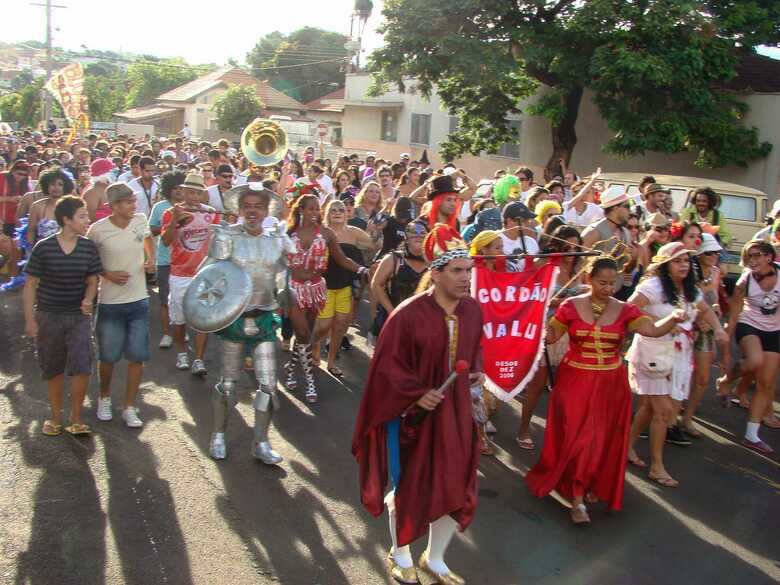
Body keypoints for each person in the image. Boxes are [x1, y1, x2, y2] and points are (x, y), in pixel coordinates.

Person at [352, 223, 482, 585]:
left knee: (455, 485)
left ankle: (435, 559)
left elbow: (474, 348)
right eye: (457, 270)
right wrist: (416, 392)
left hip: (456, 414)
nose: (466, 278)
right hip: (412, 417)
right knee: (410, 485)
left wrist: (477, 370)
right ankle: (401, 553)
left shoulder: (473, 310)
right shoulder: (407, 315)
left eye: (469, 270)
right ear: (436, 273)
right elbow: (386, 367)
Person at [526, 257, 686, 524]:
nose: (608, 288)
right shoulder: (569, 306)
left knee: (600, 438)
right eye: (602, 282)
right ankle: (577, 498)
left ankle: (588, 483)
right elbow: (551, 336)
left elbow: (651, 330)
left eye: (613, 283)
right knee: (578, 437)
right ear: (588, 279)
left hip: (611, 385)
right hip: (574, 382)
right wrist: (537, 320)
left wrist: (673, 317)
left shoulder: (625, 310)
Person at [190, 186, 295, 463]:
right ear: (239, 209)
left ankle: (261, 442)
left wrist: (285, 290)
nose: (252, 211)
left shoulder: (275, 239)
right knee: (227, 384)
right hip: (235, 320)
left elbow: (281, 273)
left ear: (266, 210)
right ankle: (218, 436)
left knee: (268, 386)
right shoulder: (228, 237)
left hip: (265, 318)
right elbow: (206, 275)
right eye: (247, 205)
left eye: (258, 206)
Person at [626, 242, 727, 486]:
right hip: (653, 353)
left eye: (686, 261)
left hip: (680, 354)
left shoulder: (690, 289)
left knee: (652, 408)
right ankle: (657, 466)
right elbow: (628, 309)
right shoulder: (653, 286)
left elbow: (705, 310)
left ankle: (626, 446)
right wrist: (663, 321)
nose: (683, 265)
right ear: (665, 264)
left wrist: (718, 329)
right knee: (663, 412)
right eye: (677, 261)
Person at [23, 196, 102, 436]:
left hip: (78, 317)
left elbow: (93, 280)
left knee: (82, 366)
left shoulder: (88, 247)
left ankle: (75, 419)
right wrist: (30, 320)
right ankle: (55, 417)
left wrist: (88, 299)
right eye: (82, 216)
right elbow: (30, 284)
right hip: (49, 315)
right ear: (66, 219)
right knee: (53, 367)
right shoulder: (44, 247)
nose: (88, 220)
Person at [284, 194, 369, 402]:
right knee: (302, 332)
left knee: (305, 336)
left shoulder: (326, 234)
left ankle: (291, 370)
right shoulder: (288, 233)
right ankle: (309, 381)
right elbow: (277, 260)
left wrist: (362, 269)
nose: (315, 212)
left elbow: (343, 259)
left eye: (317, 208)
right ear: (301, 210)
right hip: (294, 289)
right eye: (310, 208)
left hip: (316, 289)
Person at [87, 183, 156, 428]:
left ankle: (129, 406)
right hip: (110, 303)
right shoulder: (97, 229)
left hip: (139, 301)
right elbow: (88, 260)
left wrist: (150, 259)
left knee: (137, 357)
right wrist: (106, 274)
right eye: (128, 202)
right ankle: (104, 398)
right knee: (108, 357)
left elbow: (148, 239)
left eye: (133, 201)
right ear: (113, 206)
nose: (133, 205)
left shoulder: (140, 220)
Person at [717, 240, 779, 453]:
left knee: (767, 383)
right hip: (749, 324)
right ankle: (726, 381)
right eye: (749, 256)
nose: (752, 260)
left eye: (757, 255)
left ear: (769, 257)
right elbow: (733, 317)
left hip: (774, 330)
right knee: (754, 360)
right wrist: (726, 352)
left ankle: (752, 435)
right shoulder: (744, 281)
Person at [161, 173, 220, 375]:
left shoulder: (211, 213)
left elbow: (218, 241)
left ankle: (199, 359)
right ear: (183, 191)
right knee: (179, 320)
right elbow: (166, 241)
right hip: (179, 274)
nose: (194, 197)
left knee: (202, 319)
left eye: (198, 193)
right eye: (191, 192)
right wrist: (175, 220)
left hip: (204, 273)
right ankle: (181, 353)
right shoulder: (170, 212)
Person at [312, 200, 376, 377]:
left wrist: (375, 231)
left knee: (340, 326)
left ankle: (331, 362)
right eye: (333, 210)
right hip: (324, 286)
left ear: (347, 213)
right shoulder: (321, 232)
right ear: (327, 213)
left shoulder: (354, 232)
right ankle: (314, 346)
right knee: (323, 326)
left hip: (345, 287)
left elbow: (374, 245)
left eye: (341, 209)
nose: (337, 212)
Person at [149, 170, 186, 349]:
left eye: (181, 188)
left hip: (185, 261)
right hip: (165, 260)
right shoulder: (159, 207)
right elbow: (151, 229)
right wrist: (169, 225)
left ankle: (181, 330)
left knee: (184, 300)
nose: (178, 191)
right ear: (168, 189)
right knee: (165, 300)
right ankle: (166, 333)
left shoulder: (191, 207)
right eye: (175, 188)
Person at [582, 186, 637, 300]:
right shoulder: (594, 231)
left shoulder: (626, 232)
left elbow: (626, 269)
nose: (630, 210)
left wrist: (634, 258)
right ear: (615, 208)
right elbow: (579, 263)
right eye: (627, 206)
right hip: (594, 295)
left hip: (618, 294)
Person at [27, 168, 74, 246]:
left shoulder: (73, 207)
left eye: (60, 184)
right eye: (52, 184)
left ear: (65, 187)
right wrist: (30, 250)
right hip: (43, 250)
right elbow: (31, 231)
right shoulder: (37, 206)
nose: (56, 187)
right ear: (46, 186)